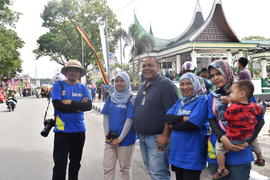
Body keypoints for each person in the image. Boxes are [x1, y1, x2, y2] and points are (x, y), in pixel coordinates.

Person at [207, 60, 265, 180]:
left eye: (218, 73)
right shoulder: (212, 96)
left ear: (227, 73)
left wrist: (248, 142)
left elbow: (260, 121)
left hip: (240, 150)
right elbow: (211, 120)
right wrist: (223, 139)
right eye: (212, 76)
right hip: (218, 149)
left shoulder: (242, 94)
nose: (215, 78)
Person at [134, 56, 179, 180]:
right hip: (143, 137)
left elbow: (171, 114)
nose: (146, 68)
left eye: (150, 65)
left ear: (158, 67)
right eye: (144, 66)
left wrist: (165, 135)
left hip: (157, 138)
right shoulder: (143, 85)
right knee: (151, 171)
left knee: (159, 174)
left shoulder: (166, 85)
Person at [51, 60, 92, 180]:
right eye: (71, 70)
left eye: (76, 70)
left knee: (75, 164)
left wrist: (70, 102)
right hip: (61, 130)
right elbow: (58, 105)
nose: (73, 72)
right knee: (60, 165)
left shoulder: (84, 88)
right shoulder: (58, 85)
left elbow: (88, 106)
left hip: (79, 131)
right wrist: (78, 106)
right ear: (66, 72)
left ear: (79, 73)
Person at [164, 73, 208, 180]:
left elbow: (192, 124)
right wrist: (183, 118)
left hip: (192, 155)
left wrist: (173, 125)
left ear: (196, 84)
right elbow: (167, 117)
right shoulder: (181, 101)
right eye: (182, 84)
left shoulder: (202, 100)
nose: (185, 87)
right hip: (177, 153)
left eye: (189, 84)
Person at [101, 72, 136, 180]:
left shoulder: (131, 98)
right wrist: (107, 135)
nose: (119, 83)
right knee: (107, 168)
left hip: (126, 140)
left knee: (125, 169)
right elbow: (106, 116)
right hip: (110, 139)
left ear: (127, 82)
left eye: (122, 81)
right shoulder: (111, 97)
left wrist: (120, 139)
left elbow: (129, 119)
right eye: (117, 81)